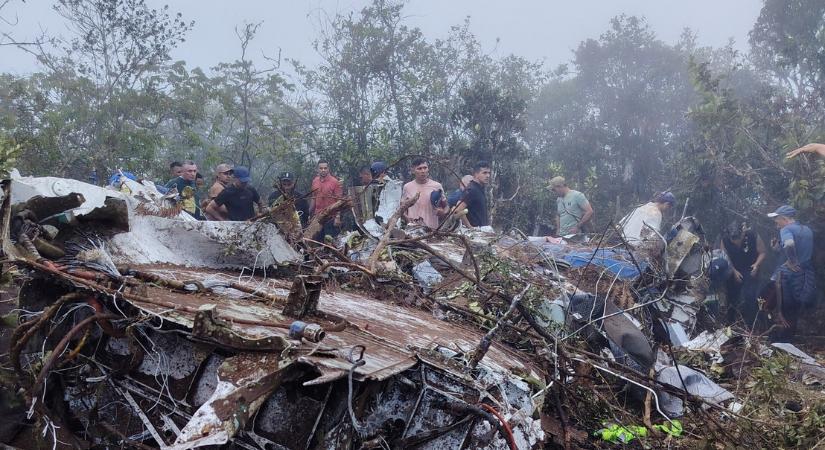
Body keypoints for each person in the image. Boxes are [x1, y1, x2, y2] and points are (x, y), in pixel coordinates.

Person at [768, 205, 816, 339]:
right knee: (796, 306)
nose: (776, 222)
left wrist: (792, 261)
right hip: (805, 273)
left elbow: (789, 244)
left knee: (784, 307)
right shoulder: (807, 230)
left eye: (777, 219)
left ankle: (782, 341)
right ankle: (789, 339)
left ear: (784, 218)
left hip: (790, 273)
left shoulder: (786, 229)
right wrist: (777, 248)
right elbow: (801, 248)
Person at [720, 220, 767, 325]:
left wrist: (756, 265)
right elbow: (724, 256)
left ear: (743, 233)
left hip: (751, 269)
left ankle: (751, 324)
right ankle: (730, 322)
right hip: (733, 268)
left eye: (737, 238)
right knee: (731, 297)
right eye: (733, 239)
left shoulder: (753, 235)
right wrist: (734, 271)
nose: (735, 242)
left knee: (750, 296)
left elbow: (763, 252)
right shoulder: (725, 239)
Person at [401, 157, 448, 229]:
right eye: (419, 168)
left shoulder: (437, 186)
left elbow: (446, 207)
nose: (423, 171)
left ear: (428, 169)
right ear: (413, 171)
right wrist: (407, 219)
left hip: (432, 230)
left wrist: (443, 213)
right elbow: (402, 209)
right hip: (413, 230)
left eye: (425, 168)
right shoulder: (407, 187)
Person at [309, 160, 343, 238]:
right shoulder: (315, 181)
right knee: (316, 240)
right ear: (317, 169)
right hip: (318, 217)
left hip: (330, 217)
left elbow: (339, 201)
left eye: (325, 168)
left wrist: (338, 217)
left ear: (328, 169)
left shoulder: (335, 182)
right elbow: (313, 198)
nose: (323, 170)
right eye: (321, 168)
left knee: (329, 240)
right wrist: (309, 214)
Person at [455, 161, 491, 227]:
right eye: (484, 173)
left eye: (489, 173)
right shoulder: (472, 189)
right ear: (476, 174)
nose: (488, 176)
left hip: (482, 229)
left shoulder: (480, 188)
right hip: (475, 231)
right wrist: (470, 227)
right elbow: (458, 209)